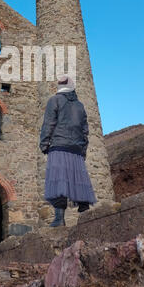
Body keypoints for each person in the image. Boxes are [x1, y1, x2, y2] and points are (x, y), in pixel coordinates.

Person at [40, 75, 97, 227]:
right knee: (78, 181)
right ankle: (86, 220)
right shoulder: (80, 106)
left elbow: (49, 124)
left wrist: (44, 144)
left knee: (59, 181)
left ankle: (59, 219)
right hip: (76, 149)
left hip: (59, 146)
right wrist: (83, 150)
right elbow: (85, 130)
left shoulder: (54, 100)